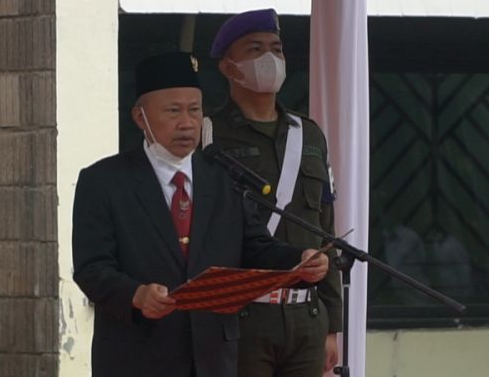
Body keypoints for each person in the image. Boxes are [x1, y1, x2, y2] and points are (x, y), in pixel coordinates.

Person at [72, 51, 328, 377]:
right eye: (173, 111)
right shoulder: (104, 181)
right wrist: (136, 295)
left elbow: (255, 247)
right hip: (137, 355)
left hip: (212, 356)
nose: (187, 123)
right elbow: (92, 268)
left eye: (194, 110)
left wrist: (298, 261)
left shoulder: (223, 177)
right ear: (140, 117)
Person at [206, 9, 343, 377]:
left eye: (276, 49)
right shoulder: (209, 135)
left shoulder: (308, 134)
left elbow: (325, 231)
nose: (270, 58)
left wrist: (332, 324)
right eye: (255, 49)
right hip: (242, 317)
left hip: (306, 315)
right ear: (229, 67)